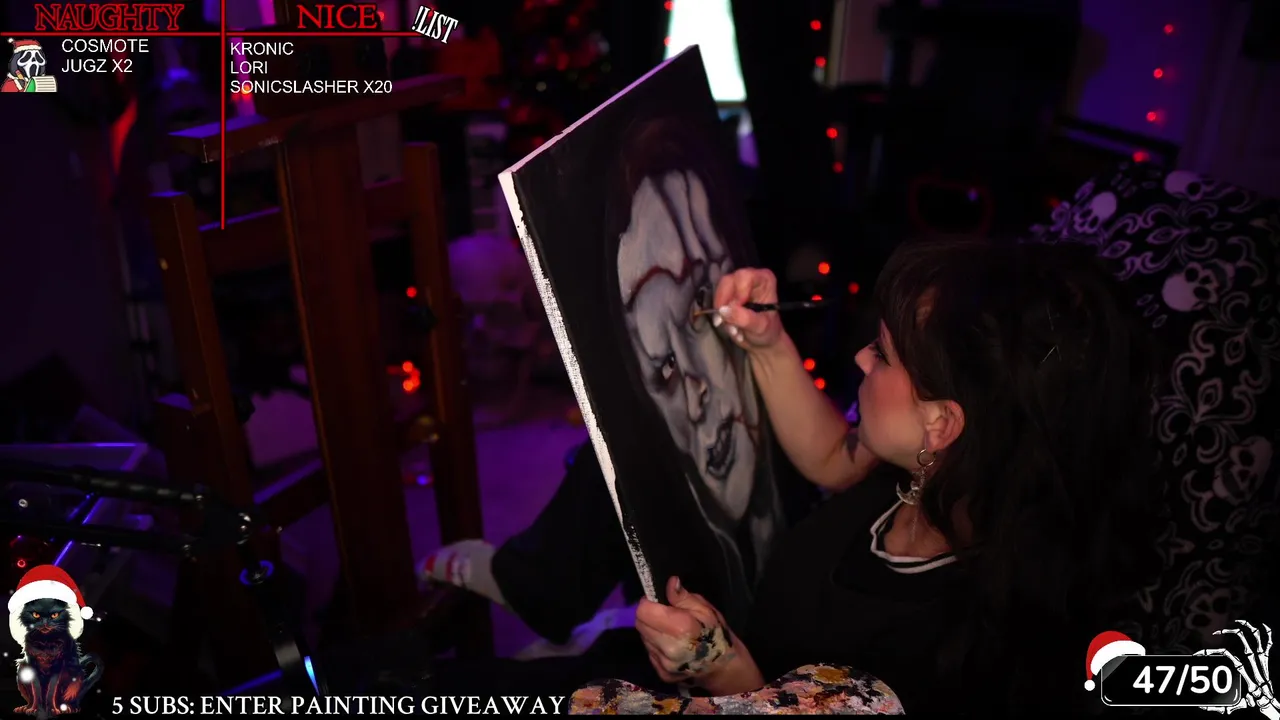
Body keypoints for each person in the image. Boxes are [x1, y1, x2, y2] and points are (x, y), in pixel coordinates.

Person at [423, 237, 1162, 713]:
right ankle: (543, 592)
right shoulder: (945, 474)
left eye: (883, 356)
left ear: (942, 424)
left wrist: (722, 669)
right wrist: (768, 342)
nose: (860, 360)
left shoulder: (951, 645)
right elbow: (835, 459)